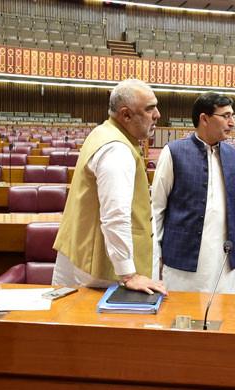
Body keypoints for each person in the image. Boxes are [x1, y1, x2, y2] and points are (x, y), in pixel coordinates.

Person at [51, 79, 167, 295]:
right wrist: (128, 273)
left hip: (83, 254)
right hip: (104, 272)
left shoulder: (103, 132)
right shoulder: (117, 150)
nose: (158, 114)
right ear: (126, 115)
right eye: (150, 108)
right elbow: (115, 215)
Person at [152, 92, 235, 293]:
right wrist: (156, 256)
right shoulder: (173, 152)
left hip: (224, 259)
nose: (232, 122)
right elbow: (157, 209)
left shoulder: (232, 155)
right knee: (182, 318)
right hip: (182, 259)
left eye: (233, 116)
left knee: (223, 315)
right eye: (225, 116)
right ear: (204, 118)